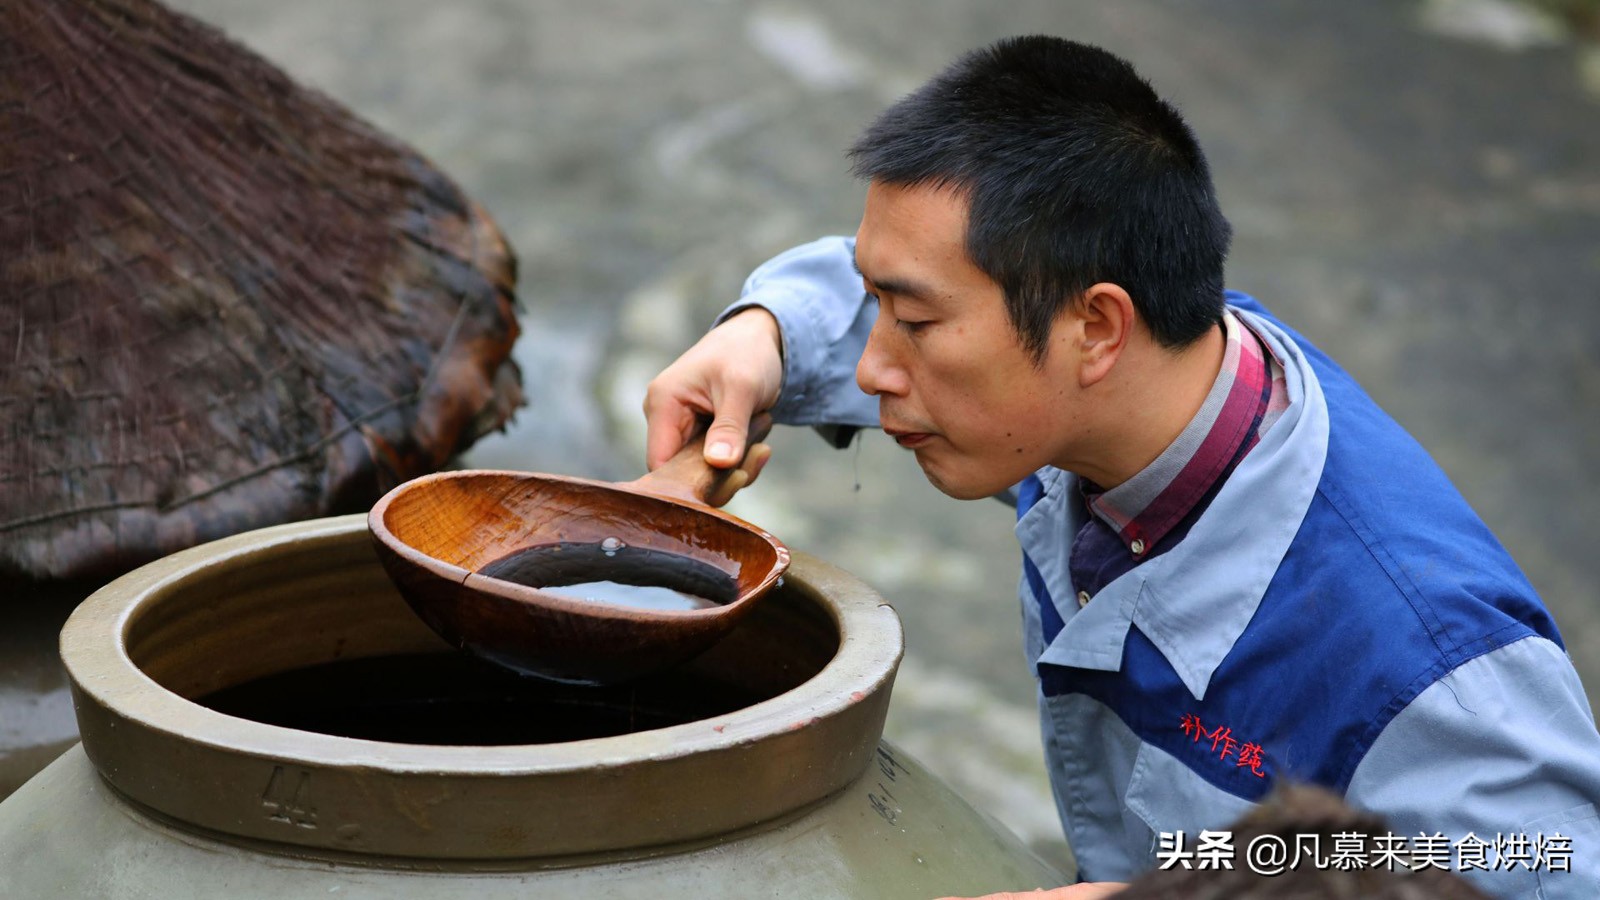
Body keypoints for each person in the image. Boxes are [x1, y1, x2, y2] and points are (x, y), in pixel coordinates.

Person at [642, 36, 1600, 899]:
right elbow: (899, 275)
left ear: (1097, 327)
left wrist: (1196, 893)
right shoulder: (1149, 378)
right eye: (877, 308)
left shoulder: (1428, 663)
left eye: (916, 324)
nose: (870, 368)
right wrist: (766, 334)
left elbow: (1547, 864)